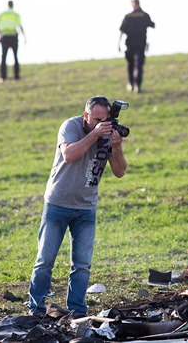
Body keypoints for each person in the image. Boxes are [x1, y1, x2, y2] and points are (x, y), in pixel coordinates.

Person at [27, 95, 127, 319]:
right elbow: (69, 154)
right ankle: (35, 308)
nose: (102, 123)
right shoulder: (70, 126)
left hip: (86, 207)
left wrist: (117, 147)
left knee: (82, 265)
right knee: (45, 260)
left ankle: (77, 311)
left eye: (105, 119)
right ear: (86, 116)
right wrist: (94, 134)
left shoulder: (109, 134)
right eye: (96, 119)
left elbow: (120, 172)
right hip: (58, 203)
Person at [118, 0, 155, 93]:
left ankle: (131, 84)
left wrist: (118, 44)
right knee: (138, 65)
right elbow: (152, 25)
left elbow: (122, 30)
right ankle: (137, 85)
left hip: (130, 44)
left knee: (131, 65)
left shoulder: (128, 16)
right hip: (140, 44)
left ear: (132, 5)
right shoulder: (144, 15)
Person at [0, 0, 26, 82]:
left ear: (7, 5)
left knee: (4, 57)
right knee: (15, 56)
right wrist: (24, 37)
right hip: (13, 36)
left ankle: (2, 77)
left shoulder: (2, 14)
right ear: (13, 5)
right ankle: (16, 76)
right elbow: (20, 26)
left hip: (4, 37)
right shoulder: (16, 14)